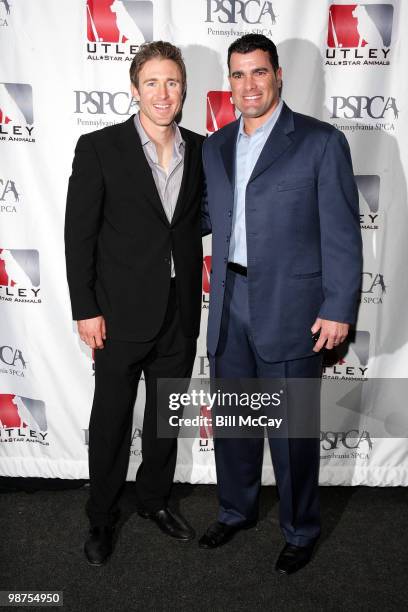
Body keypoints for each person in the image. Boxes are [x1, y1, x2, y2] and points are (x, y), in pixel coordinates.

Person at [200, 34, 362, 574]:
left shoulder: (319, 142)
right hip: (228, 301)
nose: (249, 85)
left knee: (291, 432)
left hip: (294, 308)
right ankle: (235, 509)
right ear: (230, 81)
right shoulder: (215, 146)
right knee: (234, 423)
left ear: (278, 76)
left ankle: (300, 529)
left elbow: (342, 232)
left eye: (259, 73)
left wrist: (339, 306)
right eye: (239, 74)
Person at [65, 41, 204, 565]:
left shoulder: (202, 147)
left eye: (172, 82)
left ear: (183, 88)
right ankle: (101, 517)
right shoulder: (99, 147)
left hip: (180, 309)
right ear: (134, 89)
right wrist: (85, 308)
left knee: (166, 417)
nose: (163, 93)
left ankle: (154, 501)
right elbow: (78, 235)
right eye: (152, 83)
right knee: (112, 422)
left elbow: (194, 223)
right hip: (117, 313)